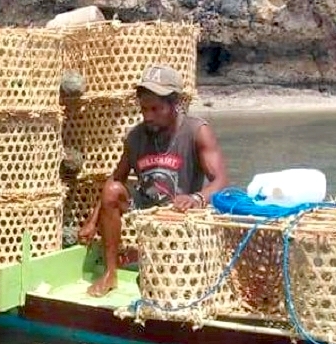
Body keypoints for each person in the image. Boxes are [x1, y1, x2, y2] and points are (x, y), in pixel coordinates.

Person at [77, 64, 229, 297]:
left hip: (180, 211)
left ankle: (148, 259)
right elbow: (114, 180)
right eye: (144, 108)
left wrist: (196, 198)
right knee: (113, 190)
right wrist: (92, 221)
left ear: (174, 104)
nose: (148, 115)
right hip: (145, 210)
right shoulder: (136, 136)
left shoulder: (197, 131)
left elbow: (220, 181)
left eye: (156, 109)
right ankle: (110, 273)